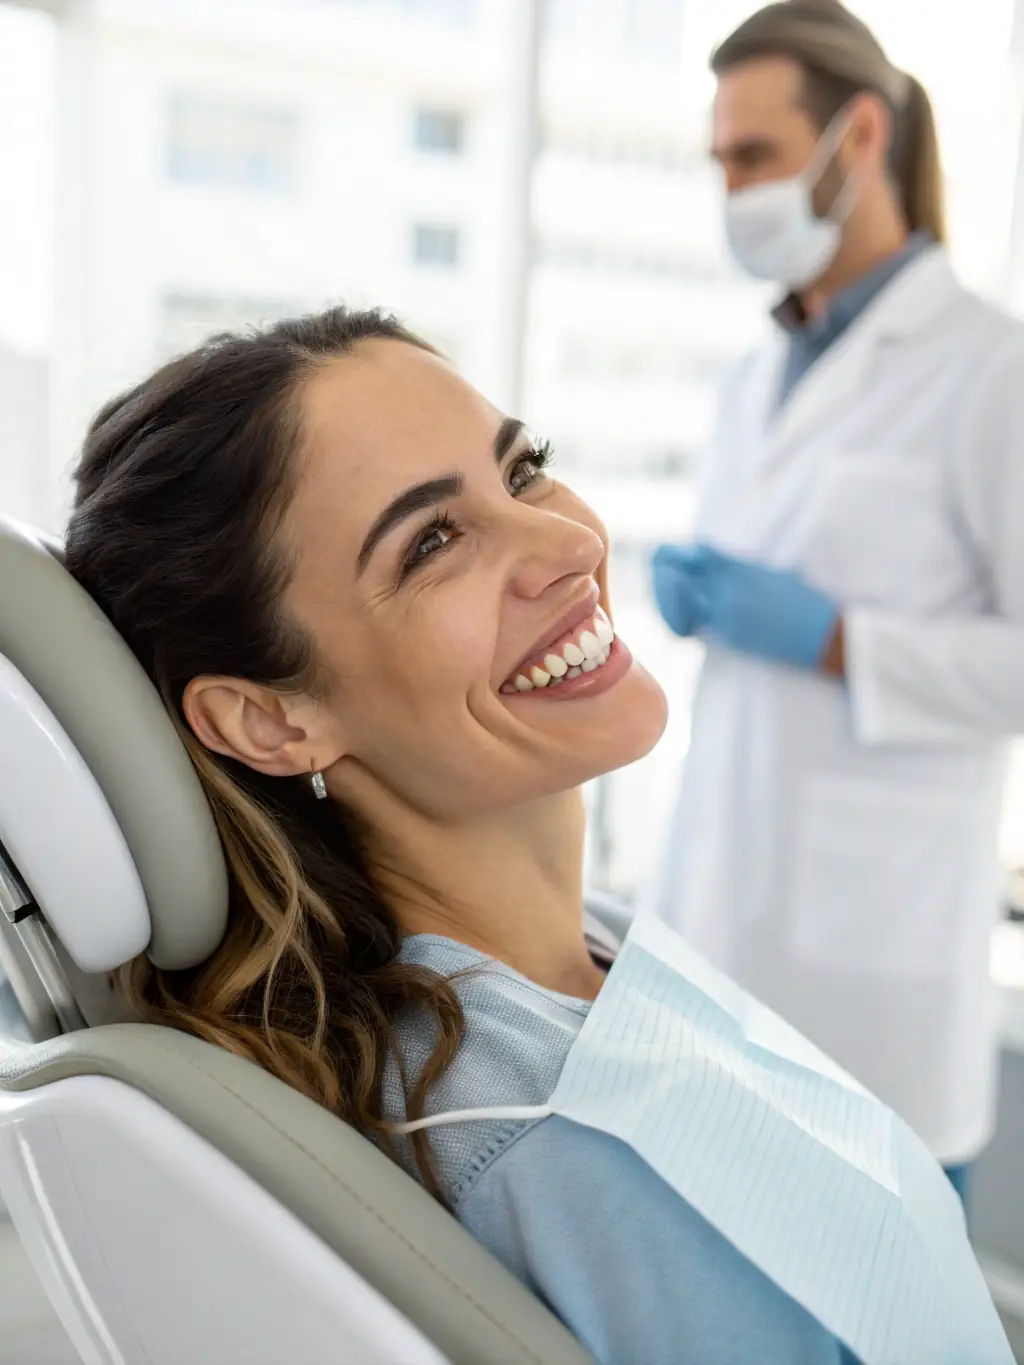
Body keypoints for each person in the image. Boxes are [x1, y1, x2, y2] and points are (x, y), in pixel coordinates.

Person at [64, 307, 1000, 1365]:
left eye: (522, 472)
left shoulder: (574, 959)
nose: (567, 544)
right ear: (272, 719)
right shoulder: (562, 1146)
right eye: (431, 542)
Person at [651, 0, 1024, 1208]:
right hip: (721, 939)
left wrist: (836, 642)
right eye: (719, 162)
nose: (731, 191)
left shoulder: (990, 368)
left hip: (879, 985)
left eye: (752, 156)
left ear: (857, 135)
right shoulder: (751, 376)